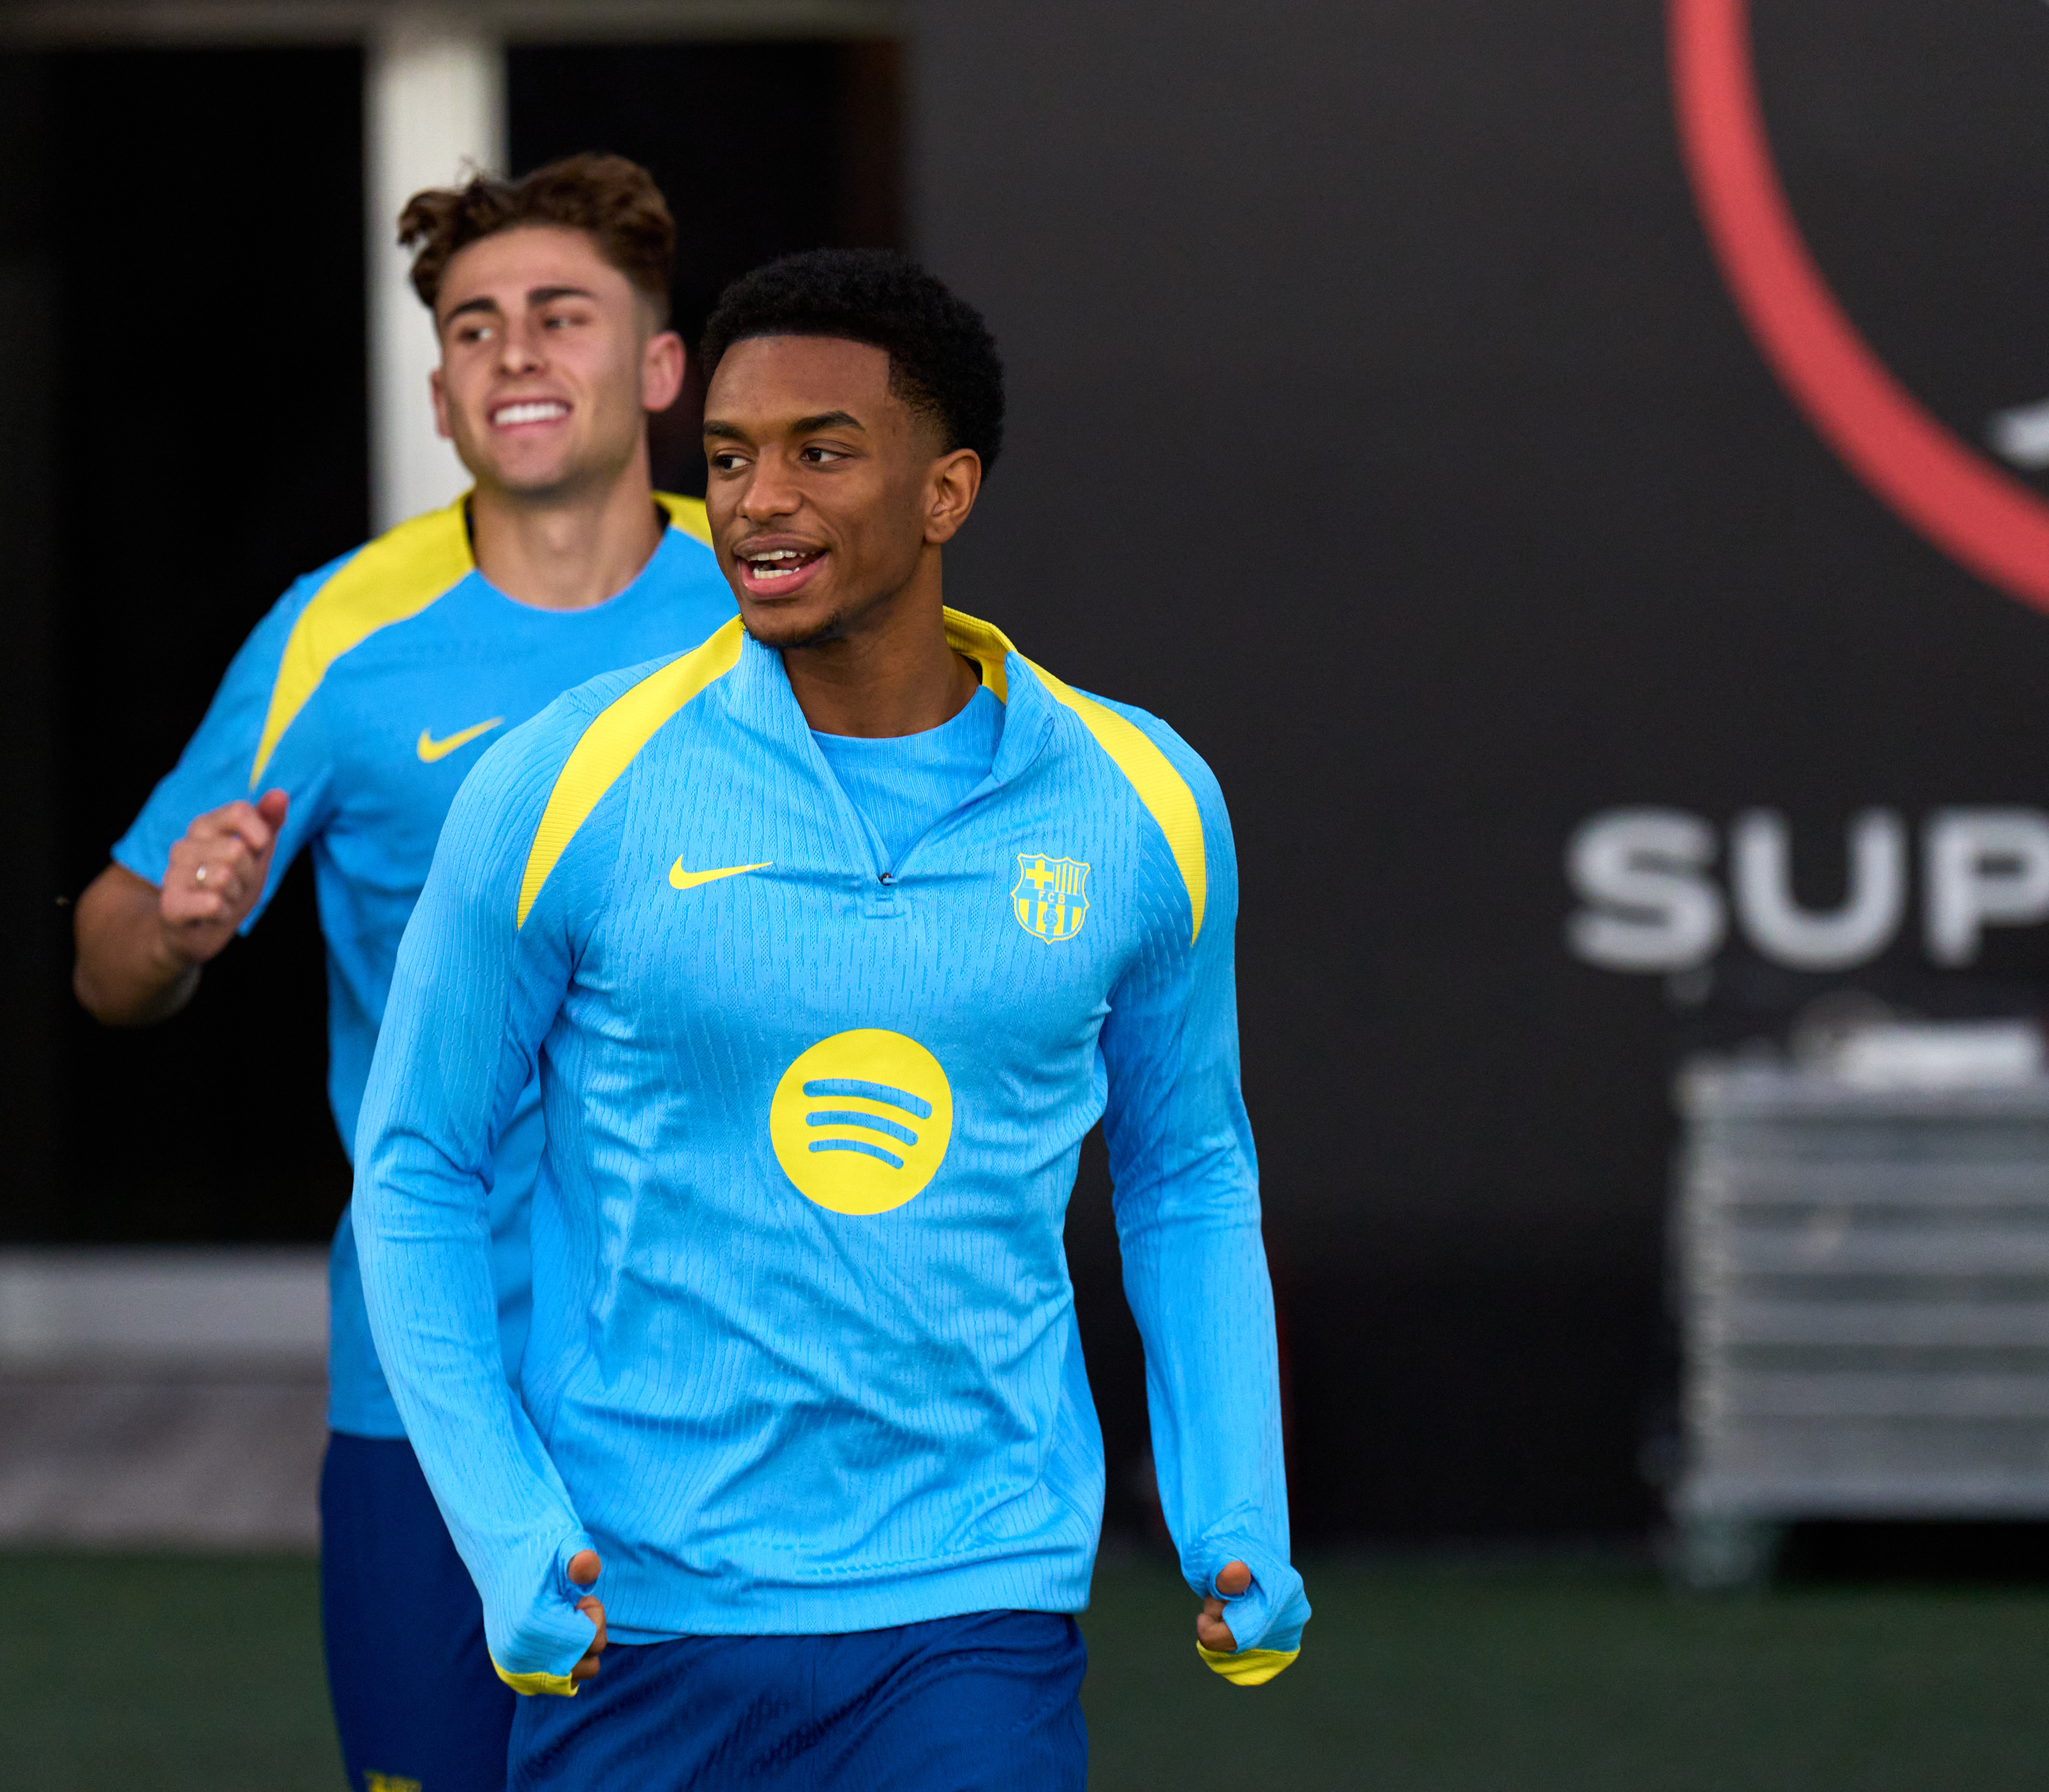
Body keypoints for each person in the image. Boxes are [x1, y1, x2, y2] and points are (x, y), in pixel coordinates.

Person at [354, 248, 1309, 1789]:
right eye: (728, 457)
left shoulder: (1142, 802)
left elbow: (1185, 1170)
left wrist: (1231, 1508)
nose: (755, 500)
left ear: (947, 492)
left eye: (820, 451)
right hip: (635, 1616)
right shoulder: (562, 785)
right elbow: (415, 1168)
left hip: (972, 1610)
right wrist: (512, 1527)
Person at [69, 155, 736, 1792]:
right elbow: (107, 956)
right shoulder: (340, 635)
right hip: (432, 1384)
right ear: (439, 395)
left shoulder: (780, 597)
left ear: (658, 368)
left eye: (560, 315)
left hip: (735, 1381)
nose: (514, 351)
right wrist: (174, 925)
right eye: (473, 326)